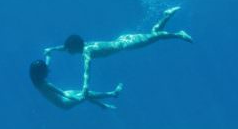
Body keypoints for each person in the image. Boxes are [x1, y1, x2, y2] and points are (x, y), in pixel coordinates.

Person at [43, 6, 192, 95]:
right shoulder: (85, 45)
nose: (68, 52)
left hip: (127, 44)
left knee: (156, 36)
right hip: (122, 40)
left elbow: (86, 70)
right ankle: (168, 15)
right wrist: (52, 49)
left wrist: (85, 87)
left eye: (70, 50)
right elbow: (66, 47)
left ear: (75, 48)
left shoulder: (87, 52)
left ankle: (178, 34)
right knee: (153, 34)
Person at [29, 60, 123, 110]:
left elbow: (46, 66)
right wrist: (77, 98)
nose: (48, 71)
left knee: (86, 93)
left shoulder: (36, 80)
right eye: (46, 70)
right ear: (41, 73)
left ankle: (103, 106)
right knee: (86, 94)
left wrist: (48, 54)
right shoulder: (46, 85)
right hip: (64, 102)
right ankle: (113, 94)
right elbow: (62, 93)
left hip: (61, 99)